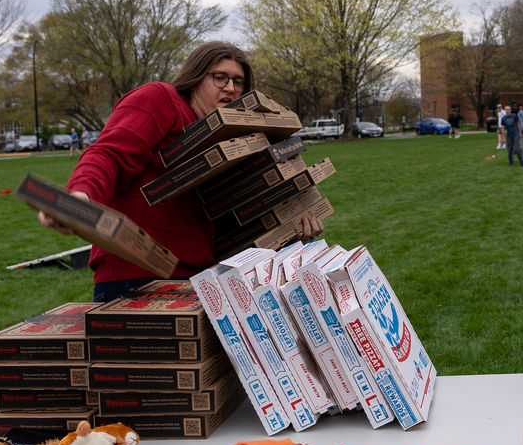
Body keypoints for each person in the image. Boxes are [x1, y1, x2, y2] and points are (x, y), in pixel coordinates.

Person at [37, 41, 324, 302]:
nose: (231, 88)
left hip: (198, 280)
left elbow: (232, 221)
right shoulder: (161, 99)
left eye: (238, 82)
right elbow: (110, 152)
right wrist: (79, 196)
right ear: (196, 77)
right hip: (136, 275)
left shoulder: (231, 142)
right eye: (219, 77)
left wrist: (288, 232)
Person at [500, 102, 523, 166]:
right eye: (506, 109)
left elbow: (518, 124)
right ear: (504, 110)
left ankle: (521, 161)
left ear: (510, 110)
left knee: (517, 148)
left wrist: (520, 132)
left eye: (508, 109)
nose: (507, 110)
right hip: (509, 135)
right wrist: (502, 138)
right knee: (509, 149)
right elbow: (503, 128)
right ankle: (510, 162)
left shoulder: (514, 116)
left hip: (516, 134)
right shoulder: (503, 118)